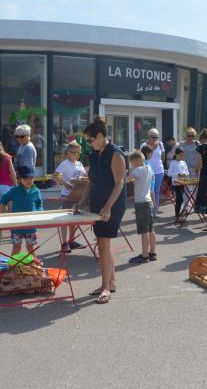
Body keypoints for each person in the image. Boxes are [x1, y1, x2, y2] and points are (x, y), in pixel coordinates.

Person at [76, 116, 126, 304]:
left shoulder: (115, 153)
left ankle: (105, 287)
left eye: (90, 140)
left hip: (112, 203)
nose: (88, 144)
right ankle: (110, 282)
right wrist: (81, 201)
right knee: (103, 243)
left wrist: (108, 206)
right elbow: (91, 181)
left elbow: (120, 183)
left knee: (103, 244)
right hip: (98, 202)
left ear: (99, 136)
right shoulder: (92, 155)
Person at [0, 165, 44, 256]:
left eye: (31, 178)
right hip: (17, 225)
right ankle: (13, 267)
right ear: (19, 179)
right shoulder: (14, 190)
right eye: (25, 178)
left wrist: (39, 213)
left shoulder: (36, 191)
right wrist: (5, 214)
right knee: (16, 247)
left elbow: (40, 205)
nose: (29, 180)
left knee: (30, 247)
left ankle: (34, 267)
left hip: (31, 225)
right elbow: (3, 200)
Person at [52, 140, 87, 253]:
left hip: (77, 195)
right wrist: (64, 183)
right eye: (74, 153)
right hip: (67, 195)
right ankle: (64, 243)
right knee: (65, 220)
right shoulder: (64, 163)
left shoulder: (79, 164)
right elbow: (54, 176)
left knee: (74, 219)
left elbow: (83, 176)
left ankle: (71, 241)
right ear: (68, 153)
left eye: (78, 153)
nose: (77, 155)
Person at [126, 150, 156, 264]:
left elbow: (126, 180)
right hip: (148, 201)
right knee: (150, 229)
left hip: (141, 203)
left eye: (131, 162)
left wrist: (125, 175)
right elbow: (150, 180)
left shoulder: (137, 170)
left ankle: (144, 256)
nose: (131, 165)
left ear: (136, 161)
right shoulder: (149, 168)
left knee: (144, 231)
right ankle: (152, 252)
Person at [140, 128, 165, 215]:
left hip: (159, 171)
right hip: (147, 171)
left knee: (156, 191)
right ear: (149, 137)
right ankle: (148, 210)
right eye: (153, 137)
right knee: (148, 191)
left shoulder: (160, 144)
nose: (155, 139)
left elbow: (163, 157)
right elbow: (141, 158)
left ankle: (154, 210)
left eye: (156, 137)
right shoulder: (144, 145)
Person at [168, 147, 190, 222]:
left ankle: (179, 215)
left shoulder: (183, 162)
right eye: (180, 155)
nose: (182, 157)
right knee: (179, 199)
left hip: (183, 183)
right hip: (176, 183)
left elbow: (187, 172)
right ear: (176, 154)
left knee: (181, 199)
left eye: (183, 155)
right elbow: (169, 173)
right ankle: (177, 216)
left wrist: (185, 174)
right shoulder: (173, 163)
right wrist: (178, 174)